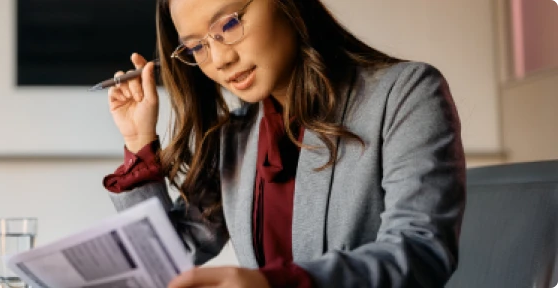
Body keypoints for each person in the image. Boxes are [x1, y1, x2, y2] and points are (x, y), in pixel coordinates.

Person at [103, 0, 466, 287]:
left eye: (228, 24)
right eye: (197, 47)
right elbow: (174, 254)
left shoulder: (407, 92)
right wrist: (138, 142)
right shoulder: (236, 135)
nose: (220, 59)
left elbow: (421, 252)